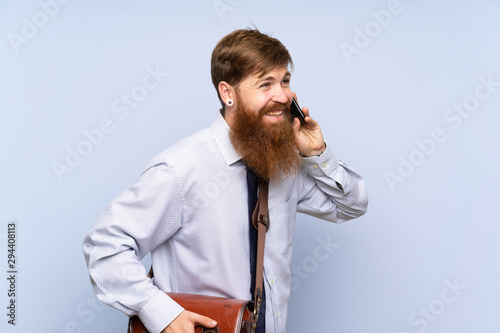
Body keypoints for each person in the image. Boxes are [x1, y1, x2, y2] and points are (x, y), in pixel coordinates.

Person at [83, 28, 368, 333]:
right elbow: (105, 246)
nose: (283, 96)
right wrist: (160, 312)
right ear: (227, 93)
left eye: (285, 81)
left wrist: (317, 153)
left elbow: (351, 206)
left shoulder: (286, 163)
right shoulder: (181, 168)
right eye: (265, 84)